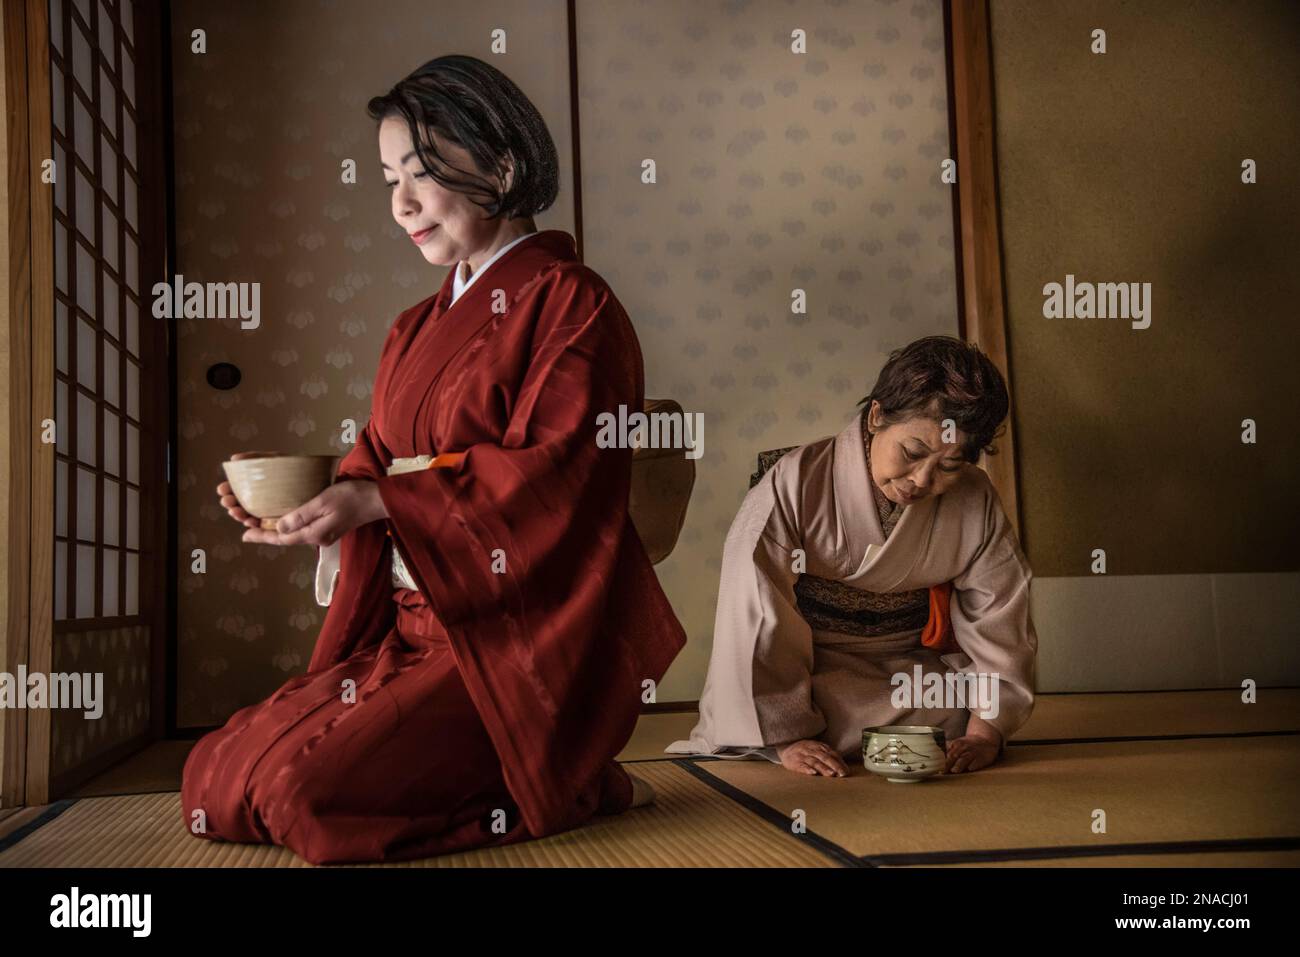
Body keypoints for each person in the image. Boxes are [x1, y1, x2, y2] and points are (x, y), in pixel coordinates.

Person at [182, 55, 685, 864]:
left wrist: (382, 501)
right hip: (410, 629)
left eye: (420, 175)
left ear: (502, 166)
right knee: (215, 776)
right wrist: (307, 505)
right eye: (388, 179)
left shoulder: (572, 302)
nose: (401, 204)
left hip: (508, 642)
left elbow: (559, 473)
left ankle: (575, 777)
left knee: (300, 798)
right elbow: (374, 460)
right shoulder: (414, 326)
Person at [668, 336, 1038, 777]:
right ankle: (781, 729)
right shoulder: (796, 482)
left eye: (949, 466)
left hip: (907, 673)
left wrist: (984, 734)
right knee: (813, 711)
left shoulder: (973, 500)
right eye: (913, 453)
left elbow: (998, 610)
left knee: (953, 705)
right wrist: (788, 735)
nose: (922, 479)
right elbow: (756, 611)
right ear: (877, 415)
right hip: (812, 673)